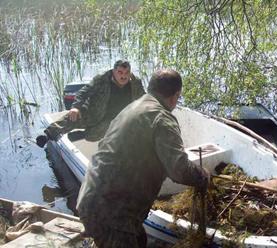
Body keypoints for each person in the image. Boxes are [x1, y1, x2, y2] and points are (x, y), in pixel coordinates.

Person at [76, 69, 209, 247]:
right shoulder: (162, 119)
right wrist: (202, 176)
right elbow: (179, 170)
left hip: (91, 197)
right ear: (176, 95)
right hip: (112, 213)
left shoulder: (134, 106)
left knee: (139, 240)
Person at [36, 60, 145, 147]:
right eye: (120, 72)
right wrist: (76, 107)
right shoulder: (102, 79)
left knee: (106, 129)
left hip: (117, 117)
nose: (123, 76)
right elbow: (84, 92)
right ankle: (48, 135)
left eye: (126, 73)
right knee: (73, 116)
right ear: (113, 72)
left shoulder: (136, 83)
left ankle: (84, 135)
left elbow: (145, 98)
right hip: (93, 111)